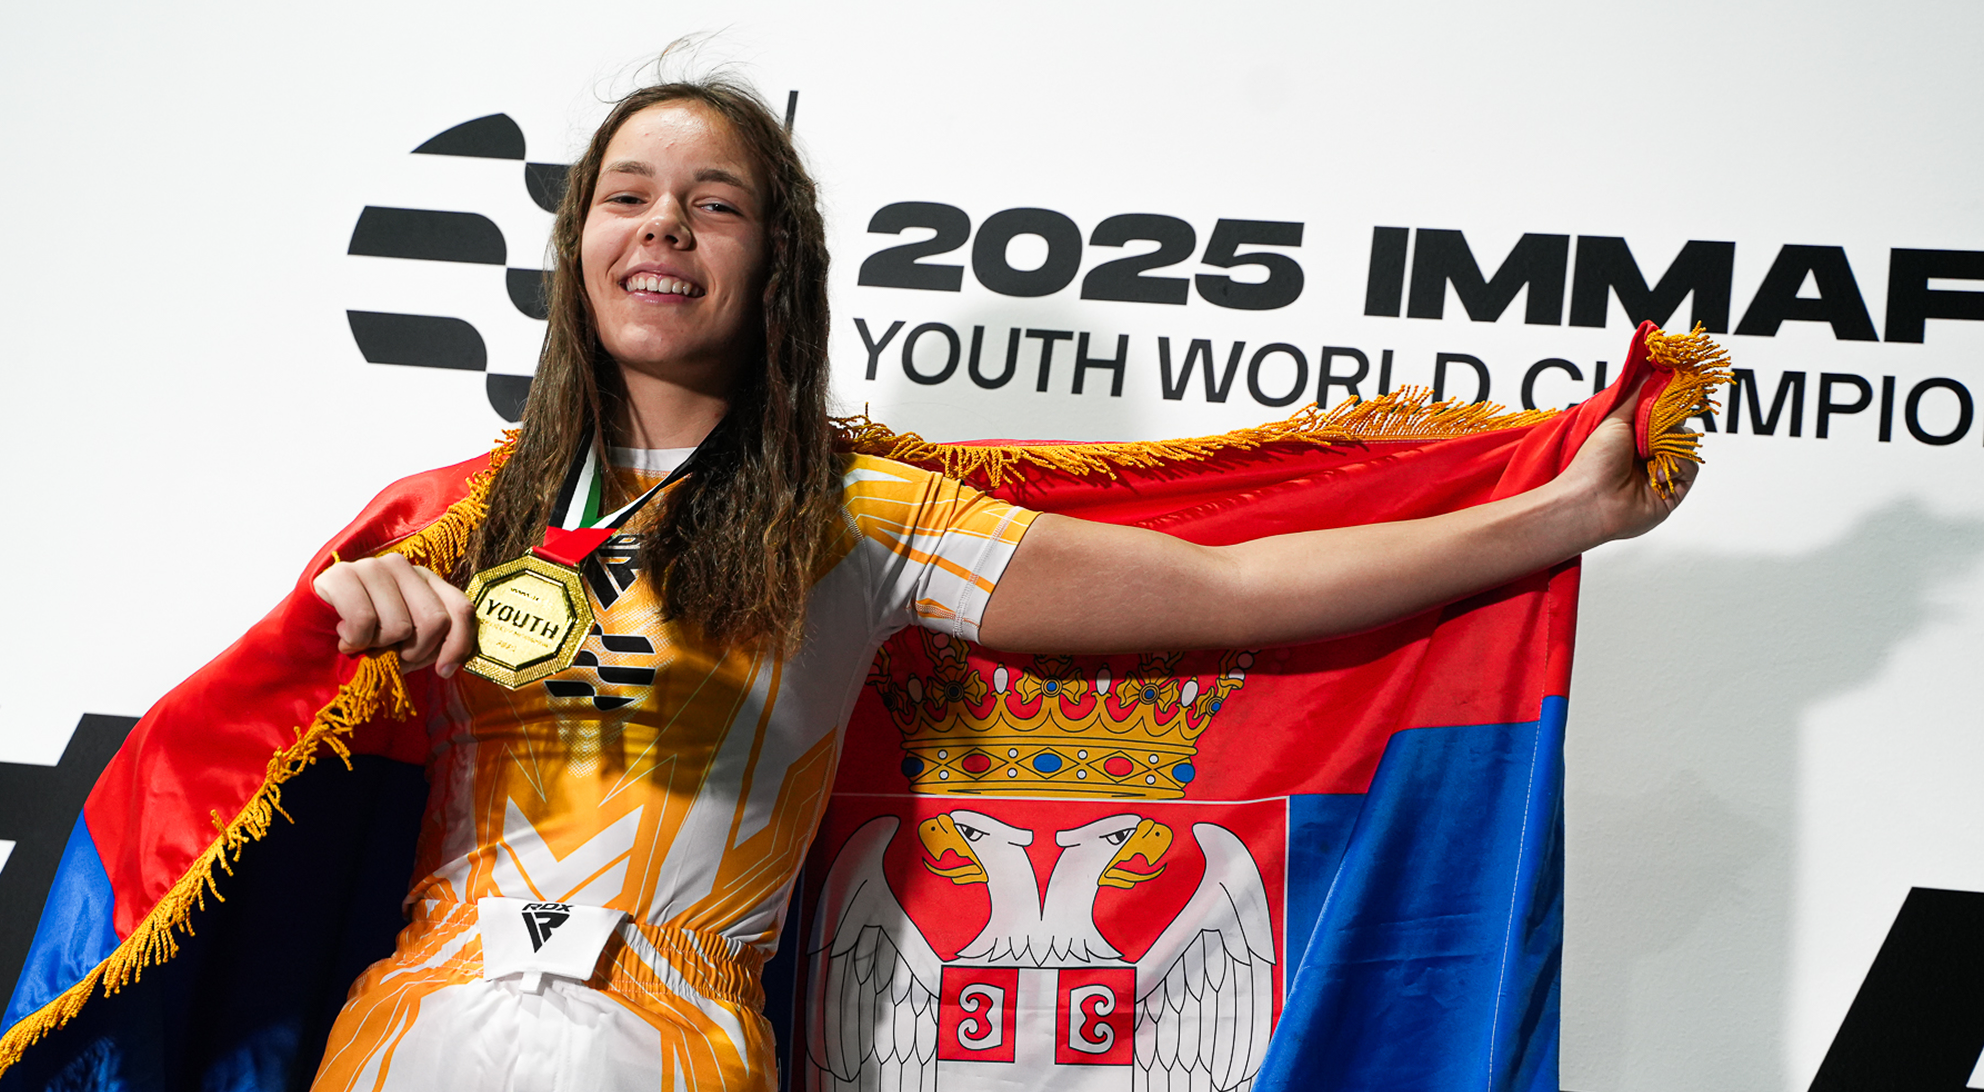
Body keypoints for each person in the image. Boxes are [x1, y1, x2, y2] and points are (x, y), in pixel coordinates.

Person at [300, 78, 1690, 1092]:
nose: (664, 226)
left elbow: (1234, 588)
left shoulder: (854, 517)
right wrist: (349, 621)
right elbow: (257, 739)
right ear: (575, 247)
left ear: (777, 269)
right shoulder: (455, 512)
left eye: (714, 205)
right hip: (409, 1031)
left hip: (661, 1040)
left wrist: (1559, 515)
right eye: (627, 197)